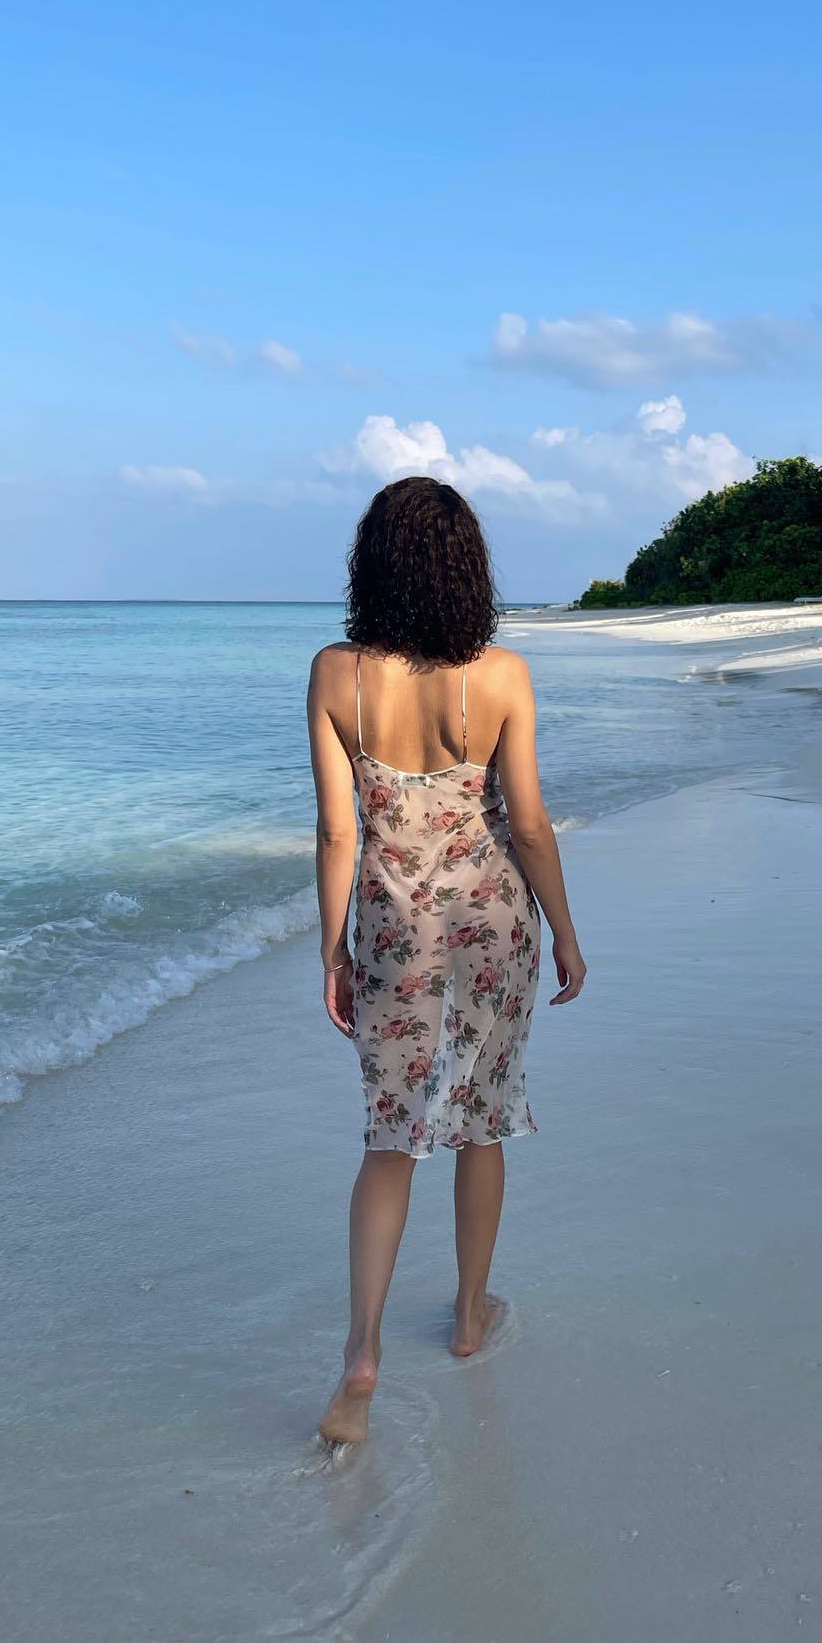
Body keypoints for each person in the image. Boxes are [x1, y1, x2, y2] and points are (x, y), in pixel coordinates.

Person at [306, 477, 585, 1445]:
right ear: (468, 568)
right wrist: (567, 932)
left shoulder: (335, 674)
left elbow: (337, 833)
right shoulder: (500, 675)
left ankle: (363, 1351)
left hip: (393, 931)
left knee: (391, 1139)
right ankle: (469, 1317)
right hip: (491, 923)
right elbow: (531, 825)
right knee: (481, 1121)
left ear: (372, 564)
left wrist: (333, 949)